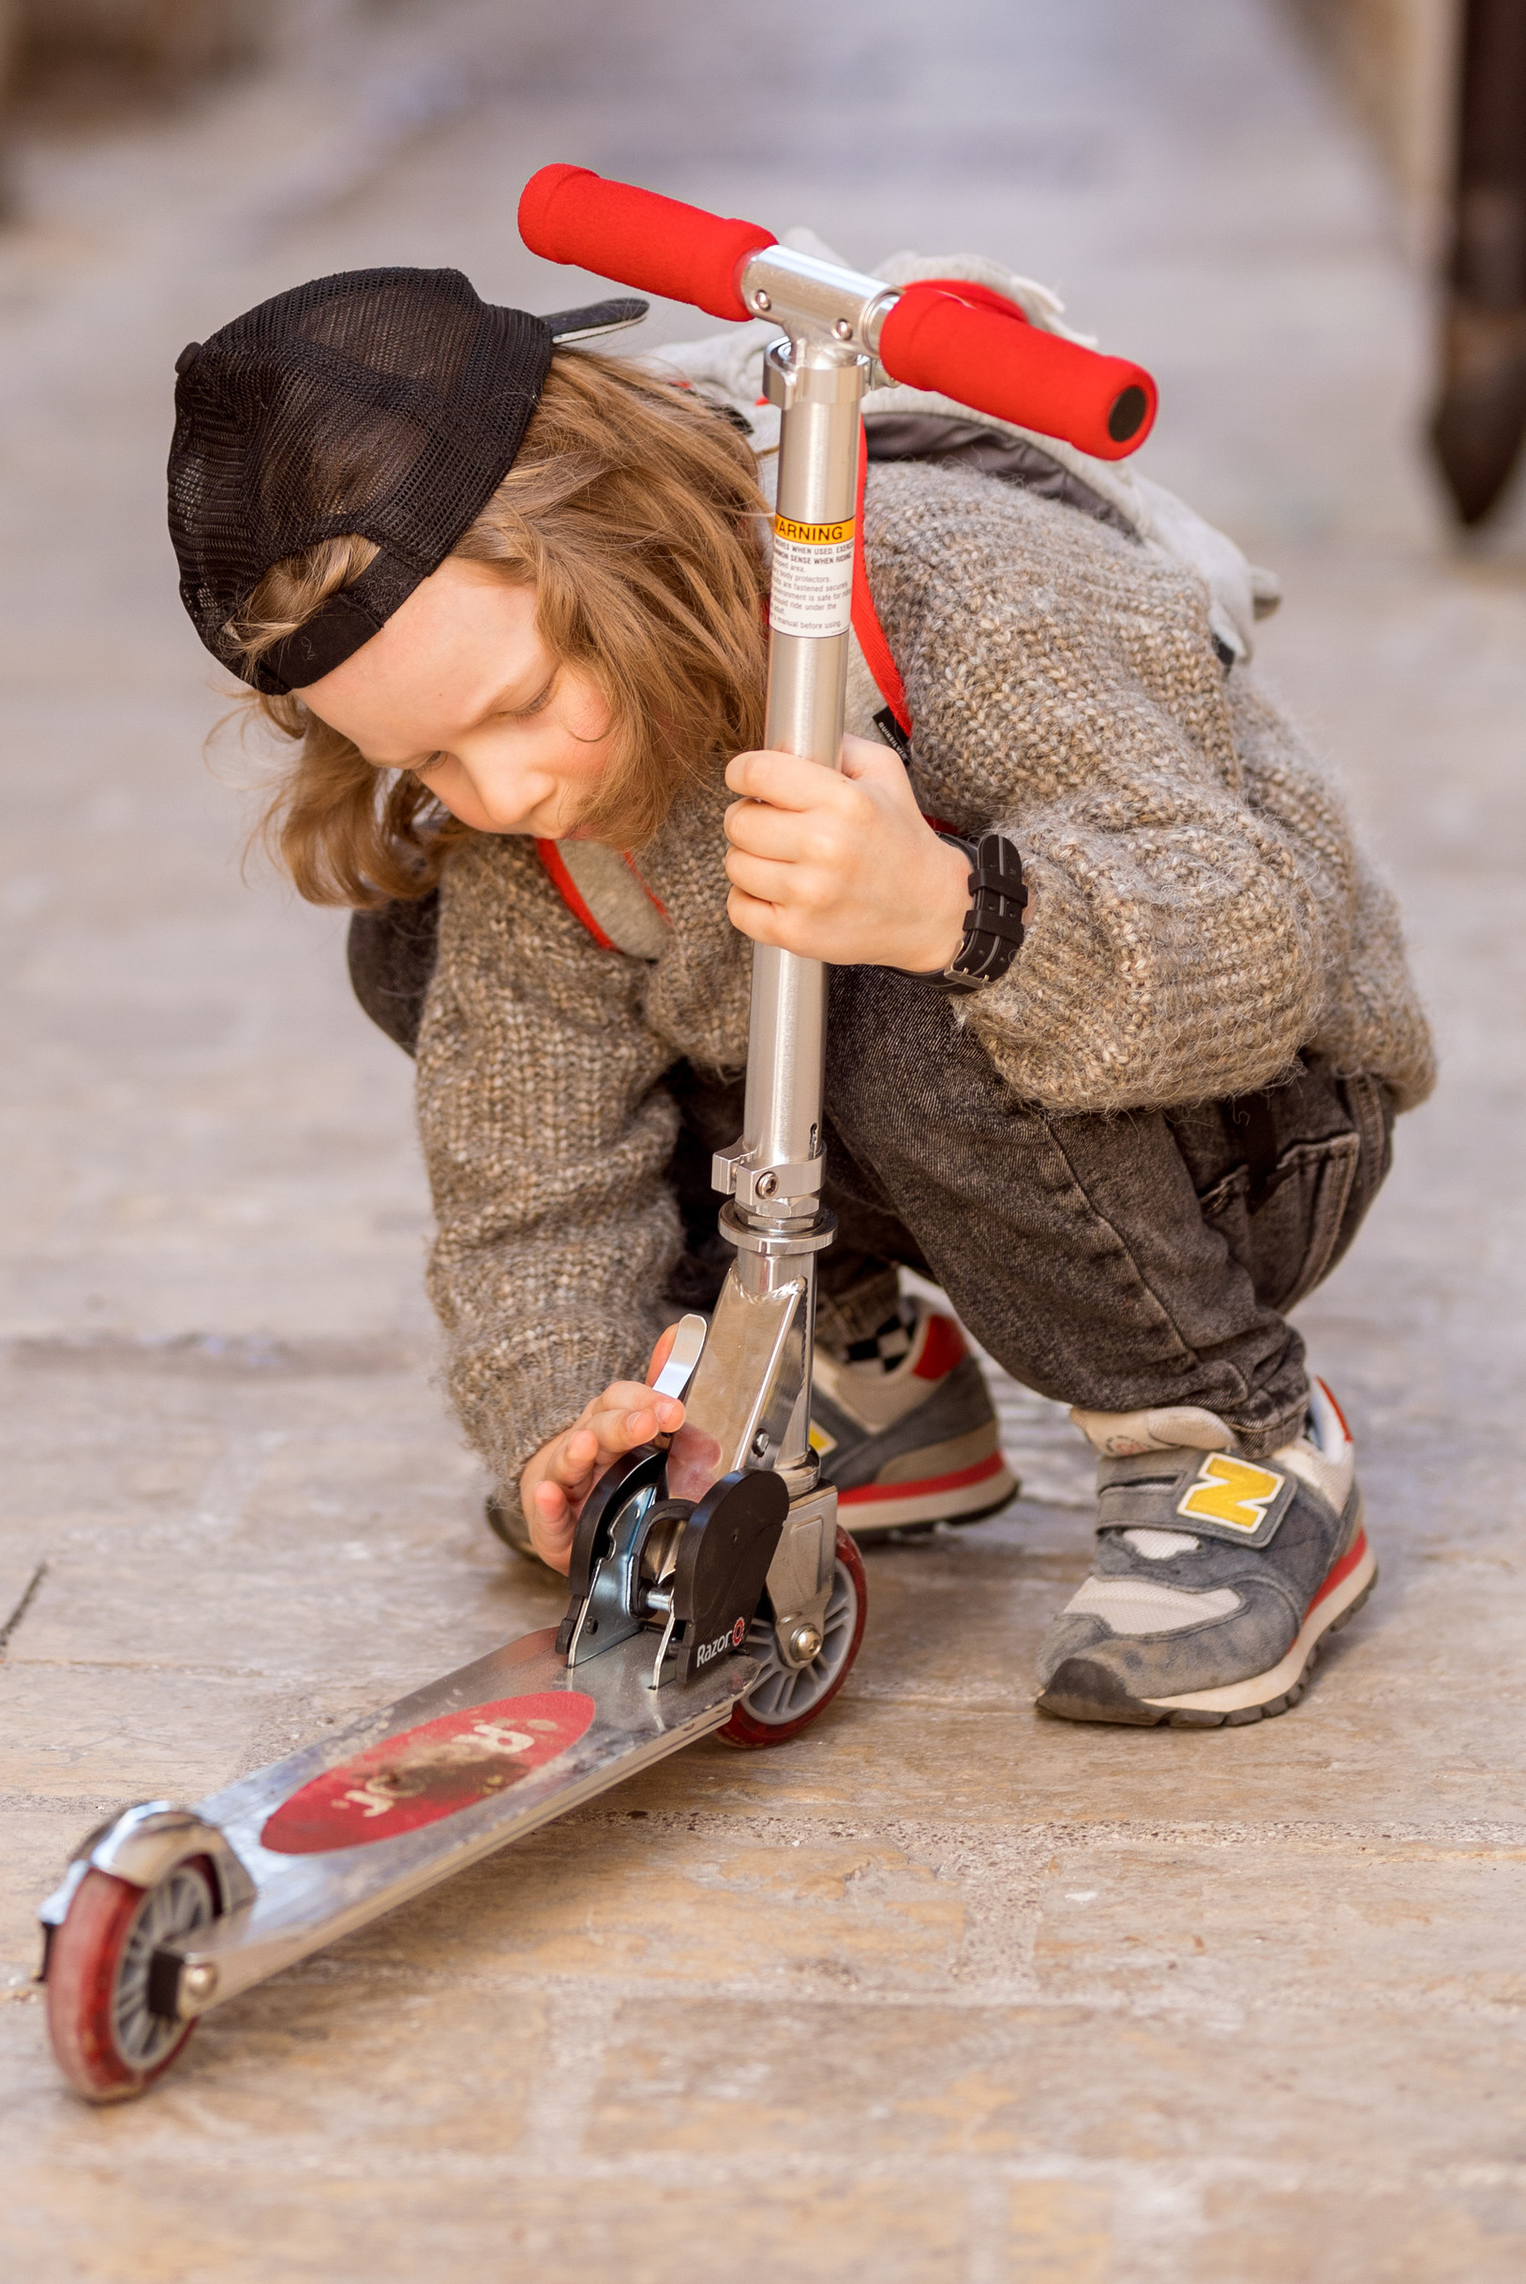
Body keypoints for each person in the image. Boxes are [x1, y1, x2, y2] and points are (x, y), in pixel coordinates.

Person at [166, 262, 1432, 1730]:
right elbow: (531, 1171)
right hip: (931, 1134)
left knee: (875, 987)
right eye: (431, 760)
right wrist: (565, 1414)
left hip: (1242, 1129)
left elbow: (1262, 948)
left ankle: (1236, 1439)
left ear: (618, 547)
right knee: (429, 947)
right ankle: (861, 1368)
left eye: (516, 708)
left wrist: (961, 911)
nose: (500, 787)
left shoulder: (965, 597)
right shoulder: (531, 817)